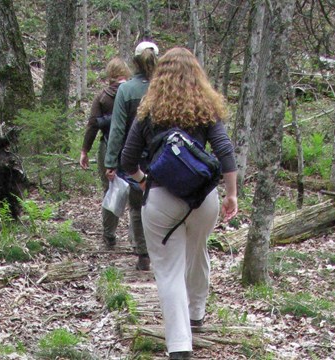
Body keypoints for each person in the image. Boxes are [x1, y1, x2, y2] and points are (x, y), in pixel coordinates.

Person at [120, 47, 238, 360]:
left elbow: (127, 160)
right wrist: (231, 193)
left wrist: (144, 182)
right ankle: (197, 313)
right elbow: (225, 151)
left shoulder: (148, 112)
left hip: (160, 200)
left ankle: (180, 347)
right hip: (203, 198)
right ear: (197, 76)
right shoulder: (205, 109)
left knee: (169, 271)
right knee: (198, 251)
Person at [104, 41, 159, 271]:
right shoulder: (164, 88)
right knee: (161, 205)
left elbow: (117, 129)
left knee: (137, 207)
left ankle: (144, 254)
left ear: (134, 62)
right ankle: (161, 253)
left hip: (133, 158)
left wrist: (111, 162)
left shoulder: (126, 90)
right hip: (162, 157)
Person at [80, 58, 131, 248]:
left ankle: (109, 234)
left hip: (108, 146)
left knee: (111, 189)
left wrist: (85, 150)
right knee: (137, 190)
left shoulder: (103, 97)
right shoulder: (136, 93)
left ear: (109, 75)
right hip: (134, 148)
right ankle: (138, 240)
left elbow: (93, 125)